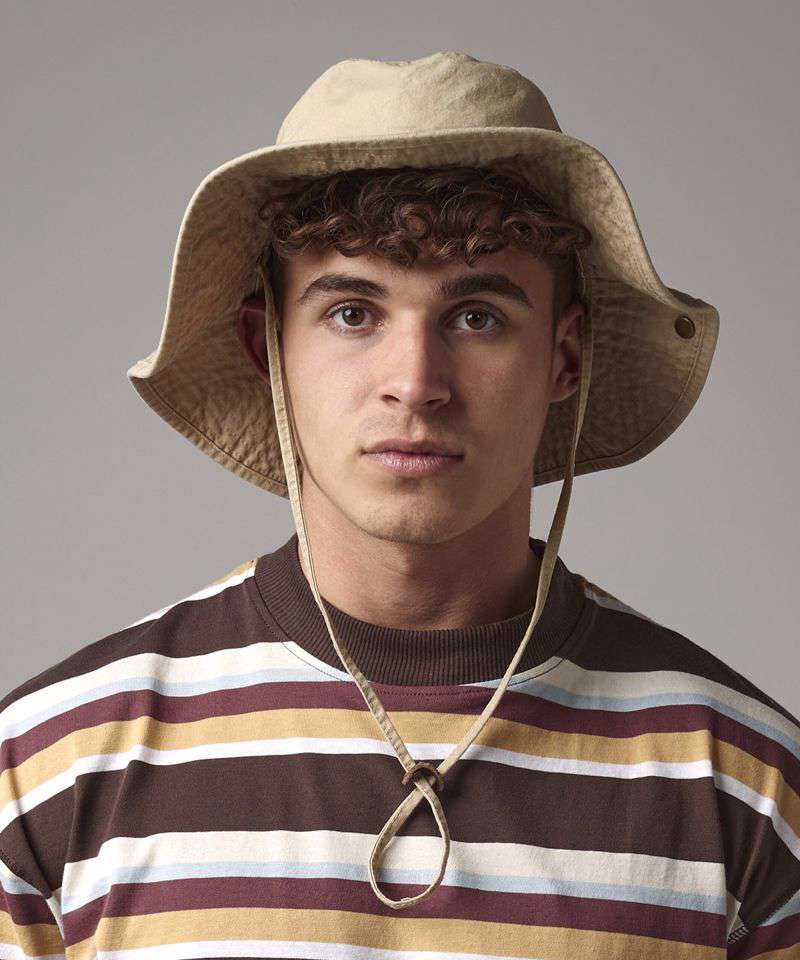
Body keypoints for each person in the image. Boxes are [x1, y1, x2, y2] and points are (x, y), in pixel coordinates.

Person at [2, 51, 798, 958]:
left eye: (477, 316)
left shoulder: (747, 787)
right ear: (268, 349)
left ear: (566, 357)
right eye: (353, 312)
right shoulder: (52, 767)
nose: (415, 383)